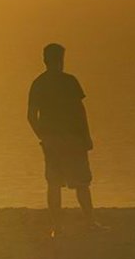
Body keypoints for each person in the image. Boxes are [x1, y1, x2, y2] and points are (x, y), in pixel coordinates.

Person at [26, 43, 102, 234]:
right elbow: (80, 111)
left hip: (52, 139)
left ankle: (56, 227)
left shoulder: (38, 83)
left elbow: (30, 116)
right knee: (82, 182)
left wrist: (43, 136)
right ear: (61, 59)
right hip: (73, 138)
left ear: (45, 60)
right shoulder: (70, 81)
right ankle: (90, 222)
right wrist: (87, 136)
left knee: (53, 183)